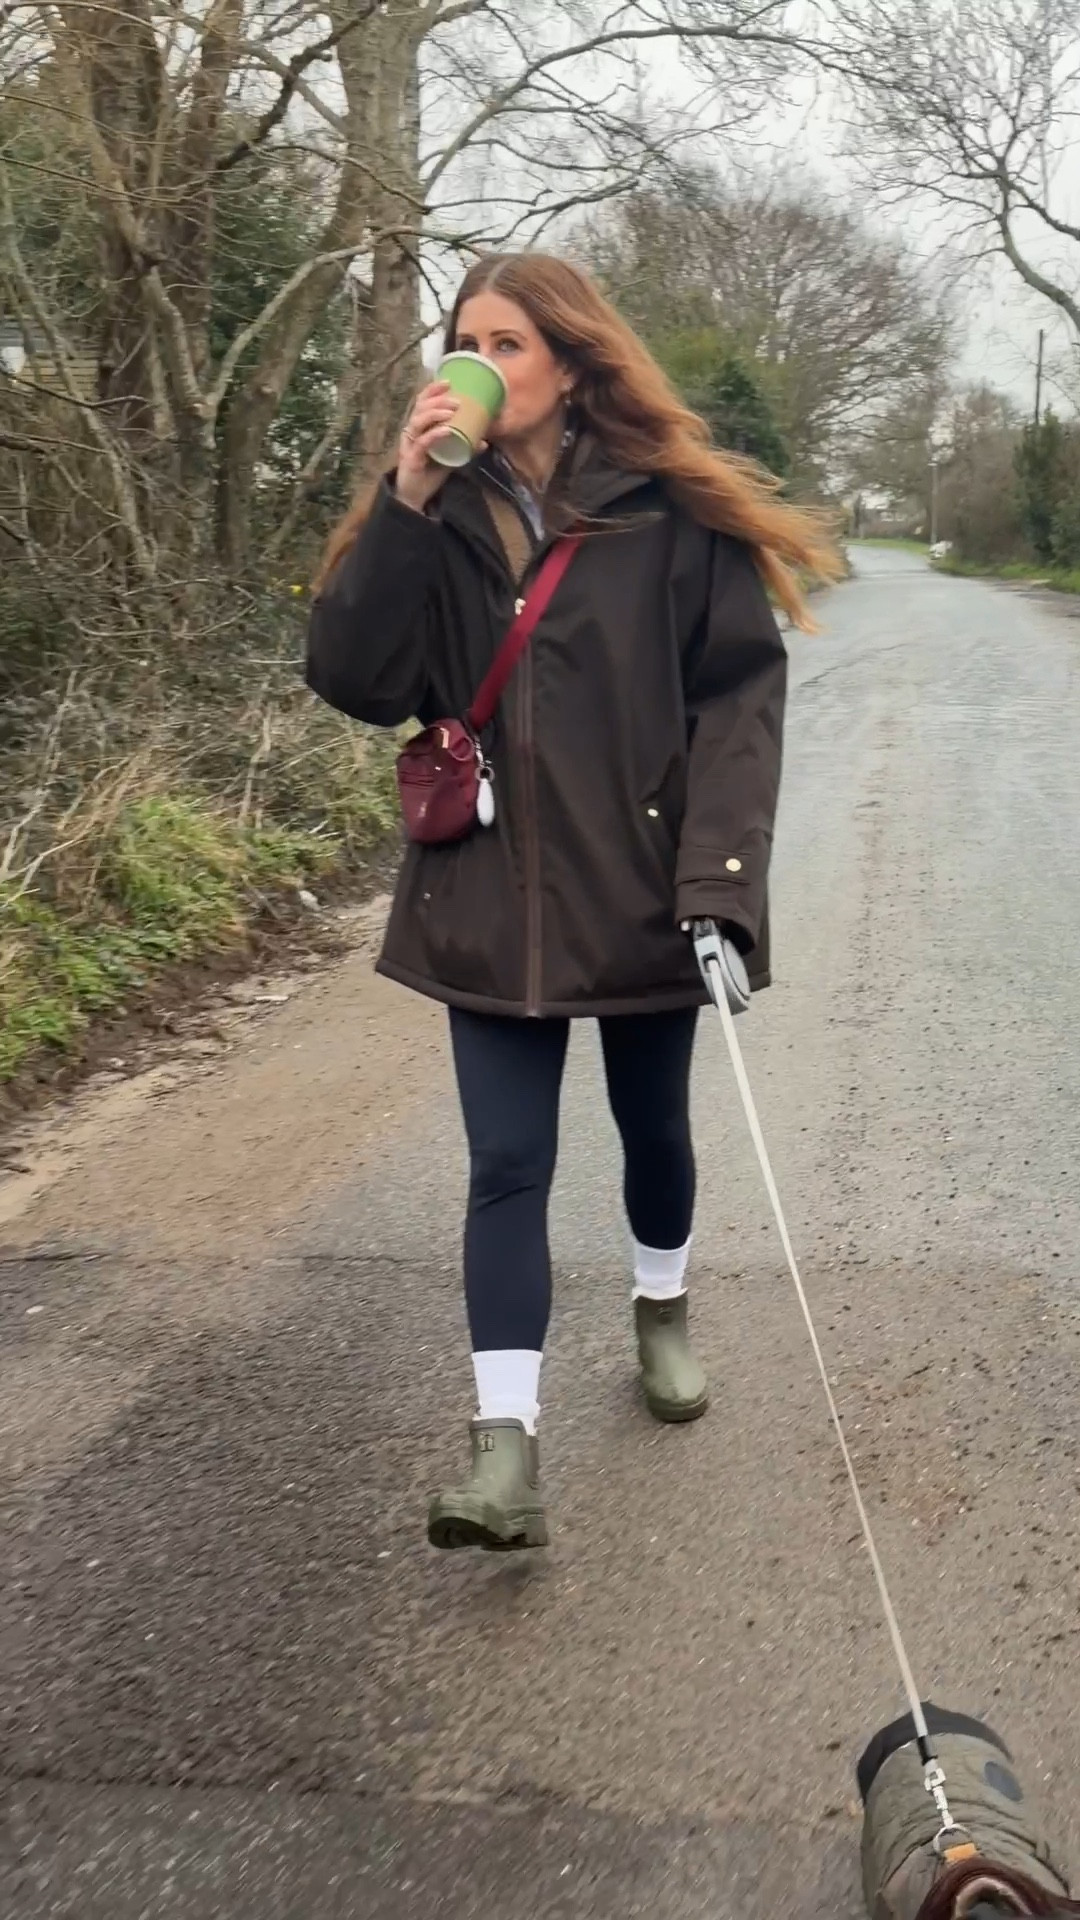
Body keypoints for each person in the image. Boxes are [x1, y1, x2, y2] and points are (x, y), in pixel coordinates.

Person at [306, 251, 841, 1553]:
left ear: (573, 363)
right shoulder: (430, 515)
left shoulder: (667, 517)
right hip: (485, 890)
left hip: (644, 889)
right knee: (506, 1165)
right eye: (462, 337)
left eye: (508, 341)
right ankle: (506, 1452)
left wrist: (719, 890)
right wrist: (404, 496)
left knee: (651, 1128)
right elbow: (355, 678)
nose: (475, 361)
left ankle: (661, 1304)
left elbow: (735, 701)